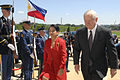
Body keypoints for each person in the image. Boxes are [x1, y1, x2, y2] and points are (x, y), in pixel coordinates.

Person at [73, 10, 118, 80]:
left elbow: (111, 50)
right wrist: (76, 63)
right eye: (85, 20)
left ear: (96, 19)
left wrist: (114, 67)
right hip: (85, 68)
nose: (87, 23)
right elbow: (76, 49)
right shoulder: (80, 32)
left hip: (100, 68)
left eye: (90, 20)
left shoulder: (105, 32)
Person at [0, 4, 16, 80]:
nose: (9, 12)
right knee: (4, 68)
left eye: (10, 10)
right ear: (3, 11)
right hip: (3, 49)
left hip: (10, 49)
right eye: (8, 10)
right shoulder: (0, 21)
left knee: (9, 67)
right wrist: (7, 43)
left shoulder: (10, 21)